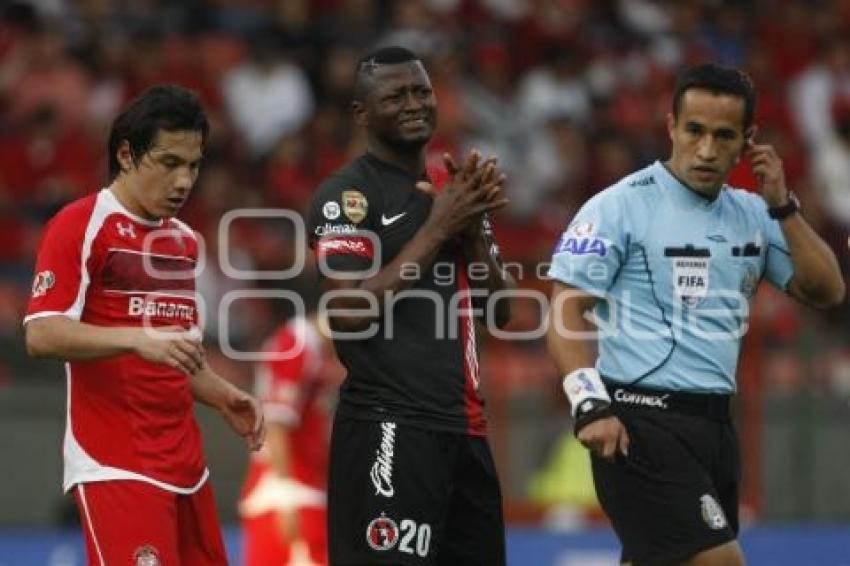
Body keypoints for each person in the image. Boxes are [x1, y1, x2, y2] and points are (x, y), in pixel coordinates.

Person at [546, 63, 845, 566]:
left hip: (714, 430)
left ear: (747, 140)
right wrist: (590, 405)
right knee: (720, 562)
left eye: (724, 135)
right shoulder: (619, 206)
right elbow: (565, 311)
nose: (707, 150)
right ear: (671, 127)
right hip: (639, 423)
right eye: (695, 131)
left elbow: (827, 289)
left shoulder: (753, 214)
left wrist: (783, 206)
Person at [24, 85, 265, 565]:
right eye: (169, 162)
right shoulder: (80, 225)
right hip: (116, 465)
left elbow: (174, 352)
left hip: (187, 467)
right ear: (127, 154)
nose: (183, 181)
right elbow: (41, 333)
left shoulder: (184, 243)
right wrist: (135, 339)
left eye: (193, 166)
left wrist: (222, 395)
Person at [306, 46, 513, 566]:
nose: (414, 103)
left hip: (467, 431)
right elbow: (348, 311)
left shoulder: (455, 187)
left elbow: (502, 311)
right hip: (390, 425)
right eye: (395, 95)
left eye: (422, 91)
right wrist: (439, 227)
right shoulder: (346, 195)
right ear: (361, 114)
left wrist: (472, 239)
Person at [239, 313, 343, 566]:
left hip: (299, 488)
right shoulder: (296, 344)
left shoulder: (311, 348)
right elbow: (275, 422)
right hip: (292, 493)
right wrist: (286, 495)